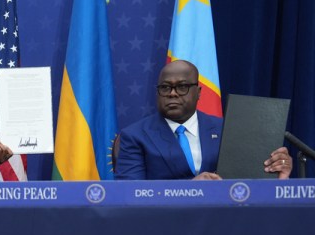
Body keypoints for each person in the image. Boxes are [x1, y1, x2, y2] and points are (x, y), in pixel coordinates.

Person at [115, 60, 292, 180]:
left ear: (198, 92)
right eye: (165, 87)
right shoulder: (135, 136)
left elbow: (246, 185)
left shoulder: (227, 130)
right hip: (163, 221)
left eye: (182, 86)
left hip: (224, 219)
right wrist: (192, 190)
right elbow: (130, 194)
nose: (172, 93)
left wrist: (276, 176)